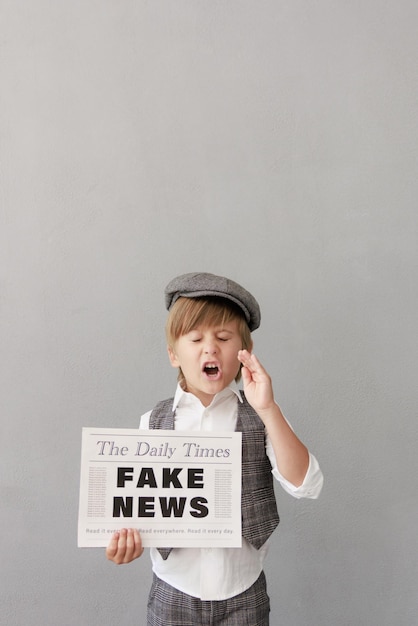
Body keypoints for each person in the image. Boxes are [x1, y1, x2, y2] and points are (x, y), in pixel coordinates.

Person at [106, 272, 323, 626]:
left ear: (244, 353)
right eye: (195, 339)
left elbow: (307, 484)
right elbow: (133, 508)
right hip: (172, 592)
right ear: (174, 354)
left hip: (245, 595)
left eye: (223, 337)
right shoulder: (152, 423)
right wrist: (123, 541)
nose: (210, 348)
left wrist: (268, 409)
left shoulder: (262, 418)